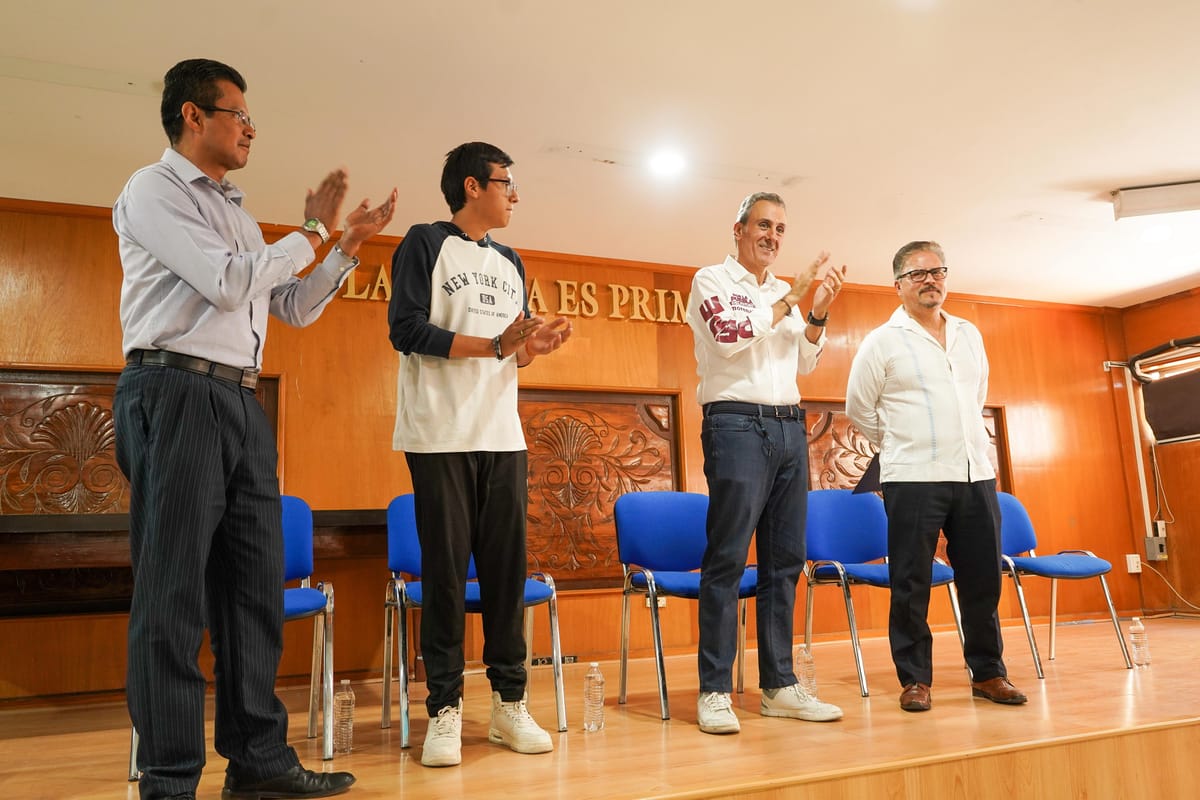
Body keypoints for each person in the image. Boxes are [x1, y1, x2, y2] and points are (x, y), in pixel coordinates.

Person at [113, 58, 396, 800]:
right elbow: (233, 282)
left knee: (252, 592)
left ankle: (258, 759)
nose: (249, 129)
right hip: (175, 389)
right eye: (237, 114)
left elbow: (292, 309)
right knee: (172, 597)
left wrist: (342, 248)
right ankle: (170, 778)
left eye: (250, 118)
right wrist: (309, 228)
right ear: (191, 116)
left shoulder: (237, 214)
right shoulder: (154, 190)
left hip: (239, 400)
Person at [387, 141, 572, 767]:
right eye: (506, 182)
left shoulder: (512, 260)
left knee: (504, 574)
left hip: (502, 435)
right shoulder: (423, 242)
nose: (514, 194)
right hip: (440, 433)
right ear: (472, 186)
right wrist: (495, 345)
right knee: (443, 574)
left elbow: (508, 350)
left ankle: (508, 705)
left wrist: (530, 347)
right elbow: (406, 330)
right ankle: (443, 708)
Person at [686, 191, 847, 735]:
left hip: (787, 425)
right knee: (728, 558)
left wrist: (817, 312)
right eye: (763, 225)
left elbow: (804, 357)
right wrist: (791, 300)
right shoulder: (710, 281)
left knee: (784, 561)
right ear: (738, 229)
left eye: (780, 228)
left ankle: (778, 685)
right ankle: (713, 690)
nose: (773, 236)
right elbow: (731, 339)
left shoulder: (787, 293)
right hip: (734, 423)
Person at [844, 241, 1027, 713]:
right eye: (919, 273)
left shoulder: (969, 334)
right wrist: (903, 442)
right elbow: (859, 408)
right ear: (899, 284)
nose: (931, 280)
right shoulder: (882, 340)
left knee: (982, 578)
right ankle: (914, 679)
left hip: (974, 473)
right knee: (911, 581)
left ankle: (988, 673)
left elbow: (977, 395)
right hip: (912, 476)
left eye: (938, 271)